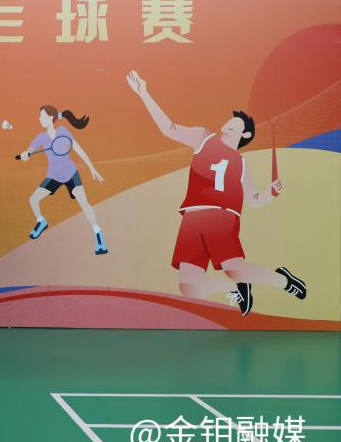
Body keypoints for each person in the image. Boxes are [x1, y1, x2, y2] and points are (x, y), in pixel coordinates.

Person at [126, 70, 306, 315]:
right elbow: (169, 128)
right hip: (192, 218)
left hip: (221, 217)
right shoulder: (203, 137)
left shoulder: (241, 162)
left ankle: (284, 280)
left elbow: (254, 200)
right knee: (188, 286)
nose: (231, 121)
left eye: (237, 122)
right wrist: (144, 93)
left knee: (235, 269)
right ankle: (235, 290)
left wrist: (270, 192)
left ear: (245, 134)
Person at [18, 105, 108, 255]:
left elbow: (79, 150)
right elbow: (30, 150)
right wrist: (26, 154)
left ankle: (99, 236)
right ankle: (41, 221)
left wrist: (92, 169)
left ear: (50, 118)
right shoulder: (41, 137)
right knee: (33, 200)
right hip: (53, 176)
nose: (39, 119)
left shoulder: (63, 132)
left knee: (85, 204)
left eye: (42, 116)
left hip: (71, 174)